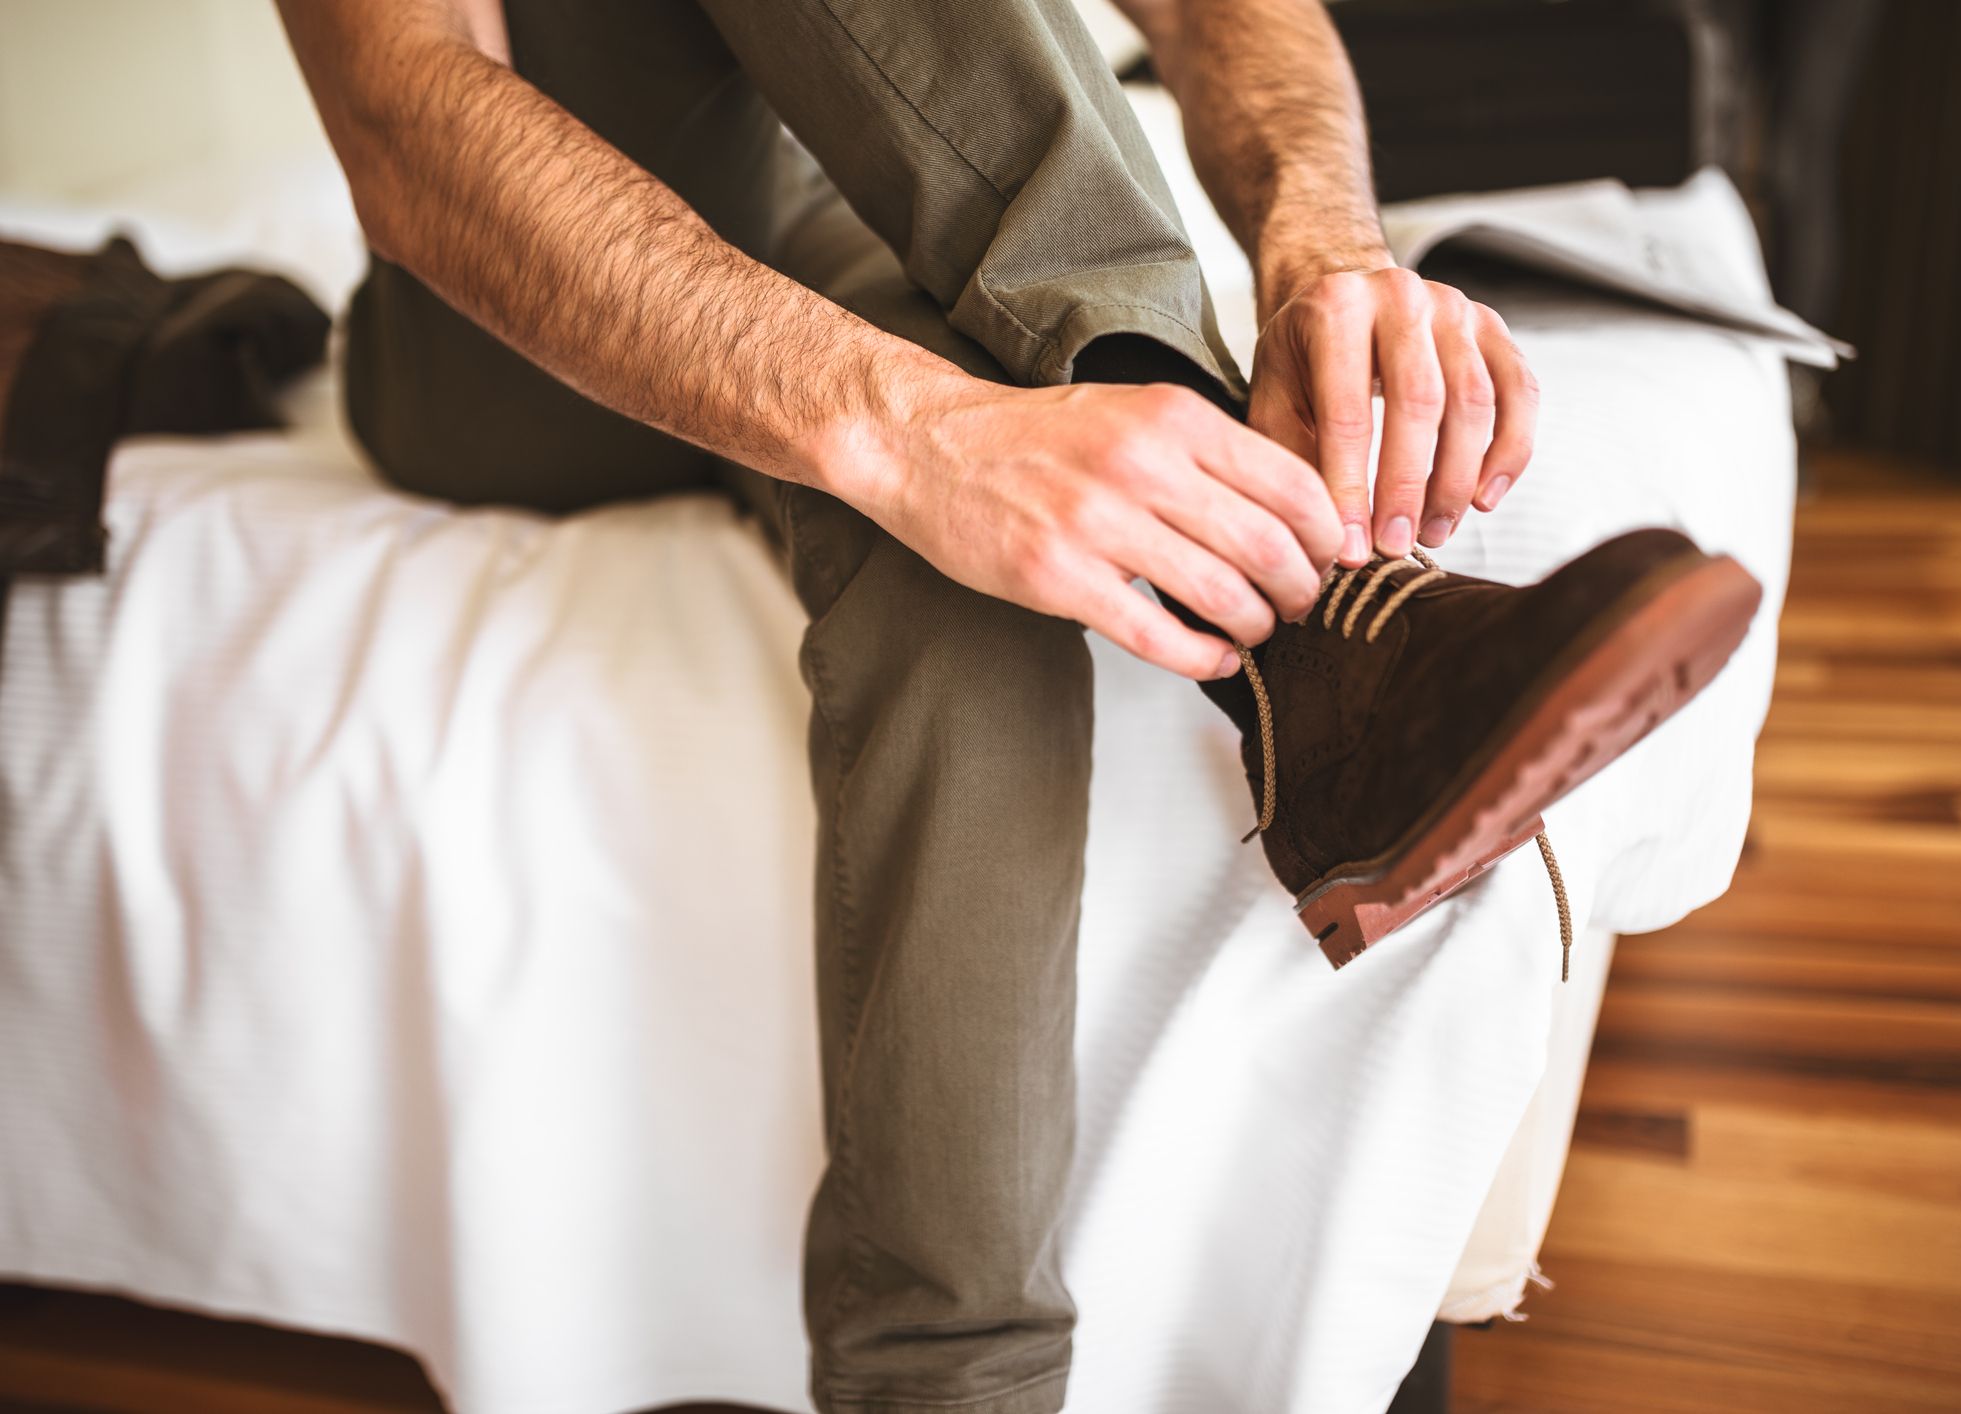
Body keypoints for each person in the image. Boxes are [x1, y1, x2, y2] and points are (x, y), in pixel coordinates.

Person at [274, 1, 1761, 1409]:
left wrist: (1321, 252)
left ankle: (944, 1390)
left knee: (980, 532)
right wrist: (916, 436)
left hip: (782, 208)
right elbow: (406, 120)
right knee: (940, 452)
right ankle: (1311, 631)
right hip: (484, 324)